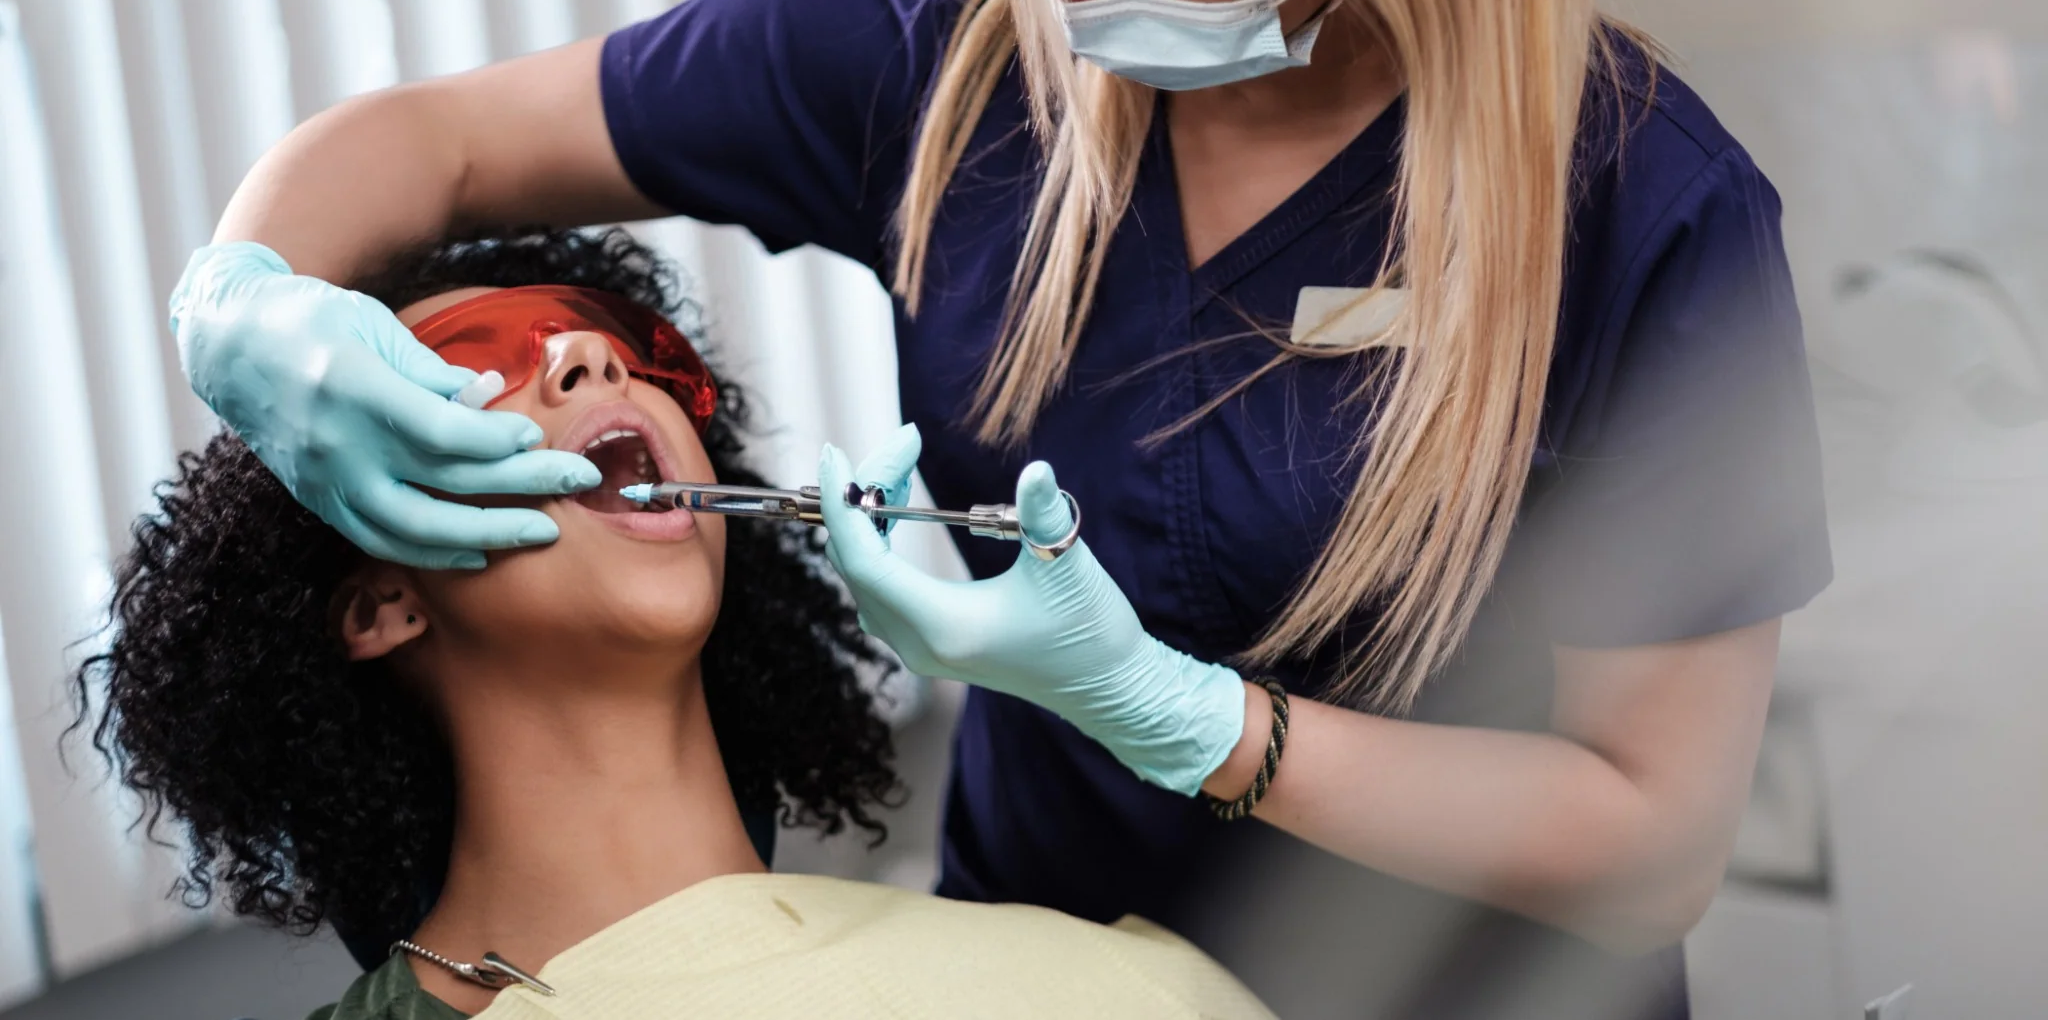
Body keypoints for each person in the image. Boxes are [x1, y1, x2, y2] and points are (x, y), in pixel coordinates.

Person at [164, 0, 1832, 1014]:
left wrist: (1195, 724)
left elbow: (1648, 837)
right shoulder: (941, 47)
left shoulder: (1640, 215)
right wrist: (241, 300)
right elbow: (435, 144)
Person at [80, 227, 1275, 1019]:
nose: (590, 357)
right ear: (381, 601)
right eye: (472, 365)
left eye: (622, 344)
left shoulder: (1120, 993)